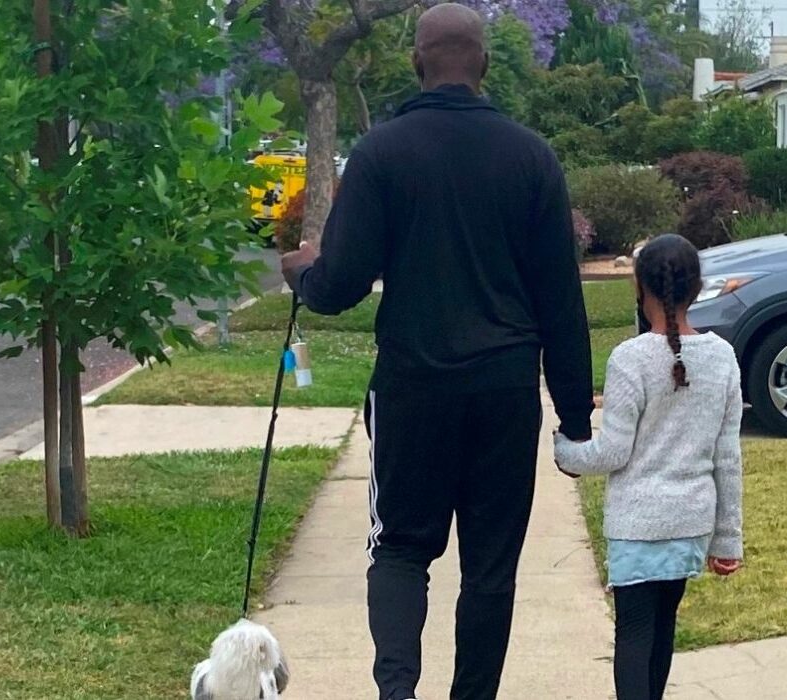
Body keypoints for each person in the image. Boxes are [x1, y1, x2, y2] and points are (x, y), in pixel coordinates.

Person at [280, 4, 594, 700]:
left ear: (416, 62)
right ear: (482, 64)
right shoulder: (530, 156)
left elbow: (338, 286)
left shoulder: (382, 153)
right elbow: (560, 303)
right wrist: (574, 420)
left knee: (398, 549)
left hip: (412, 387)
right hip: (505, 390)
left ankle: (397, 692)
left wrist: (301, 270)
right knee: (489, 568)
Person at [554, 234, 744, 700]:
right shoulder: (722, 357)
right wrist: (728, 539)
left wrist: (565, 452)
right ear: (697, 289)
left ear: (640, 289)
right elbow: (727, 457)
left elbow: (612, 452)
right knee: (663, 630)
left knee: (634, 635)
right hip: (691, 522)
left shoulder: (630, 358)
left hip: (638, 525)